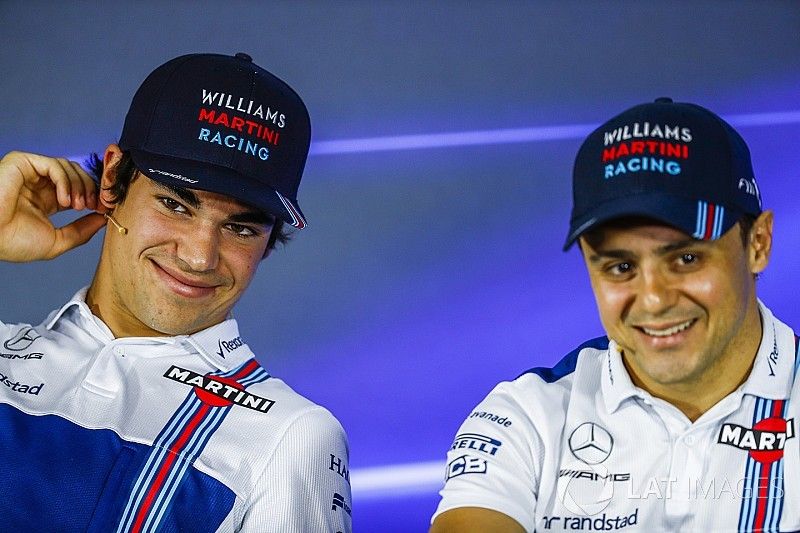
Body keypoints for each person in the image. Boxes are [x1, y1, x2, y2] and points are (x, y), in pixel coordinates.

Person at [0, 52, 352, 533]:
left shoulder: (289, 436)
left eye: (242, 228)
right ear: (111, 179)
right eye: (174, 204)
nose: (199, 257)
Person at [430, 98, 799, 532]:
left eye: (685, 259)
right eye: (621, 267)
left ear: (758, 243)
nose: (654, 299)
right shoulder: (526, 417)